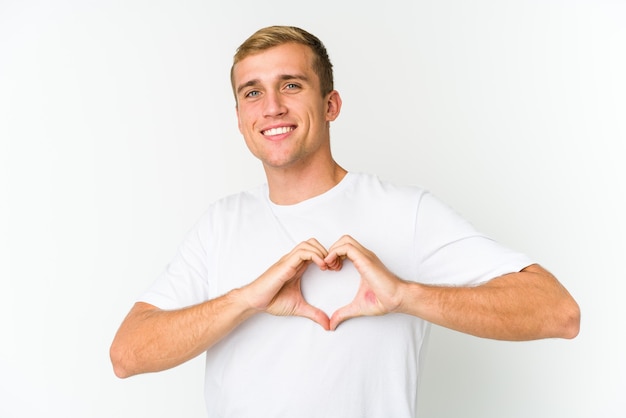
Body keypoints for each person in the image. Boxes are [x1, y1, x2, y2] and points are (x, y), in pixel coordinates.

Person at [110, 25, 580, 417]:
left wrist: (405, 295)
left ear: (331, 105)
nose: (271, 106)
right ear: (239, 119)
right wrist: (244, 299)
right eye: (252, 92)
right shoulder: (220, 223)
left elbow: (558, 312)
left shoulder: (404, 211)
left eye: (291, 85)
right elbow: (127, 354)